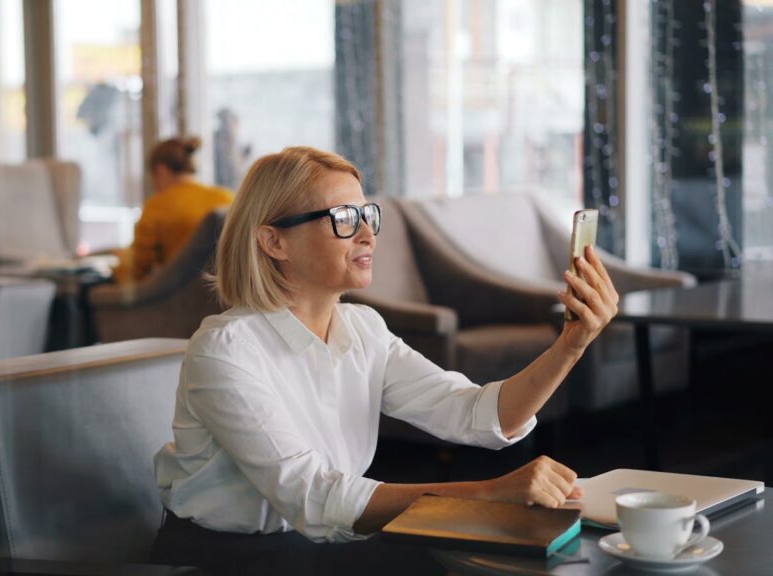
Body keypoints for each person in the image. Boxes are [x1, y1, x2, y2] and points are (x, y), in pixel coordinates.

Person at [151, 147, 619, 574]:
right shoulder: (225, 350)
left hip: (318, 544)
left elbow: (477, 414)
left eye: (366, 214)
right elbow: (314, 497)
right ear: (274, 242)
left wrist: (571, 343)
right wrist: (489, 495)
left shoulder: (362, 328)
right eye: (342, 217)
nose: (367, 232)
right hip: (225, 560)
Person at [114, 136, 234, 282]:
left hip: (179, 297)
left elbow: (137, 268)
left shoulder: (157, 206)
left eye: (153, 177)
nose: (153, 185)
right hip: (227, 291)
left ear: (161, 170)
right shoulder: (227, 198)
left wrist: (122, 260)